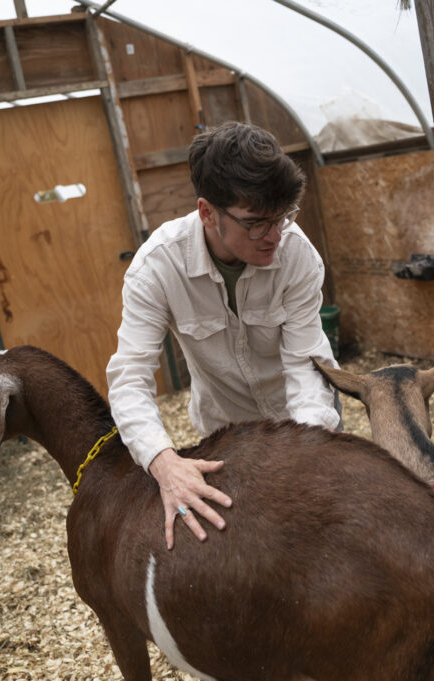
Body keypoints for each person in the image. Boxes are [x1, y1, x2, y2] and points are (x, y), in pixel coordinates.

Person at [106, 121, 341, 550]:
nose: (274, 235)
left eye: (283, 216)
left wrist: (306, 455)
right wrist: (164, 464)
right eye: (256, 223)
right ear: (207, 212)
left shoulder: (297, 254)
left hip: (301, 420)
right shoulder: (157, 267)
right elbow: (130, 378)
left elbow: (307, 367)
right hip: (226, 434)